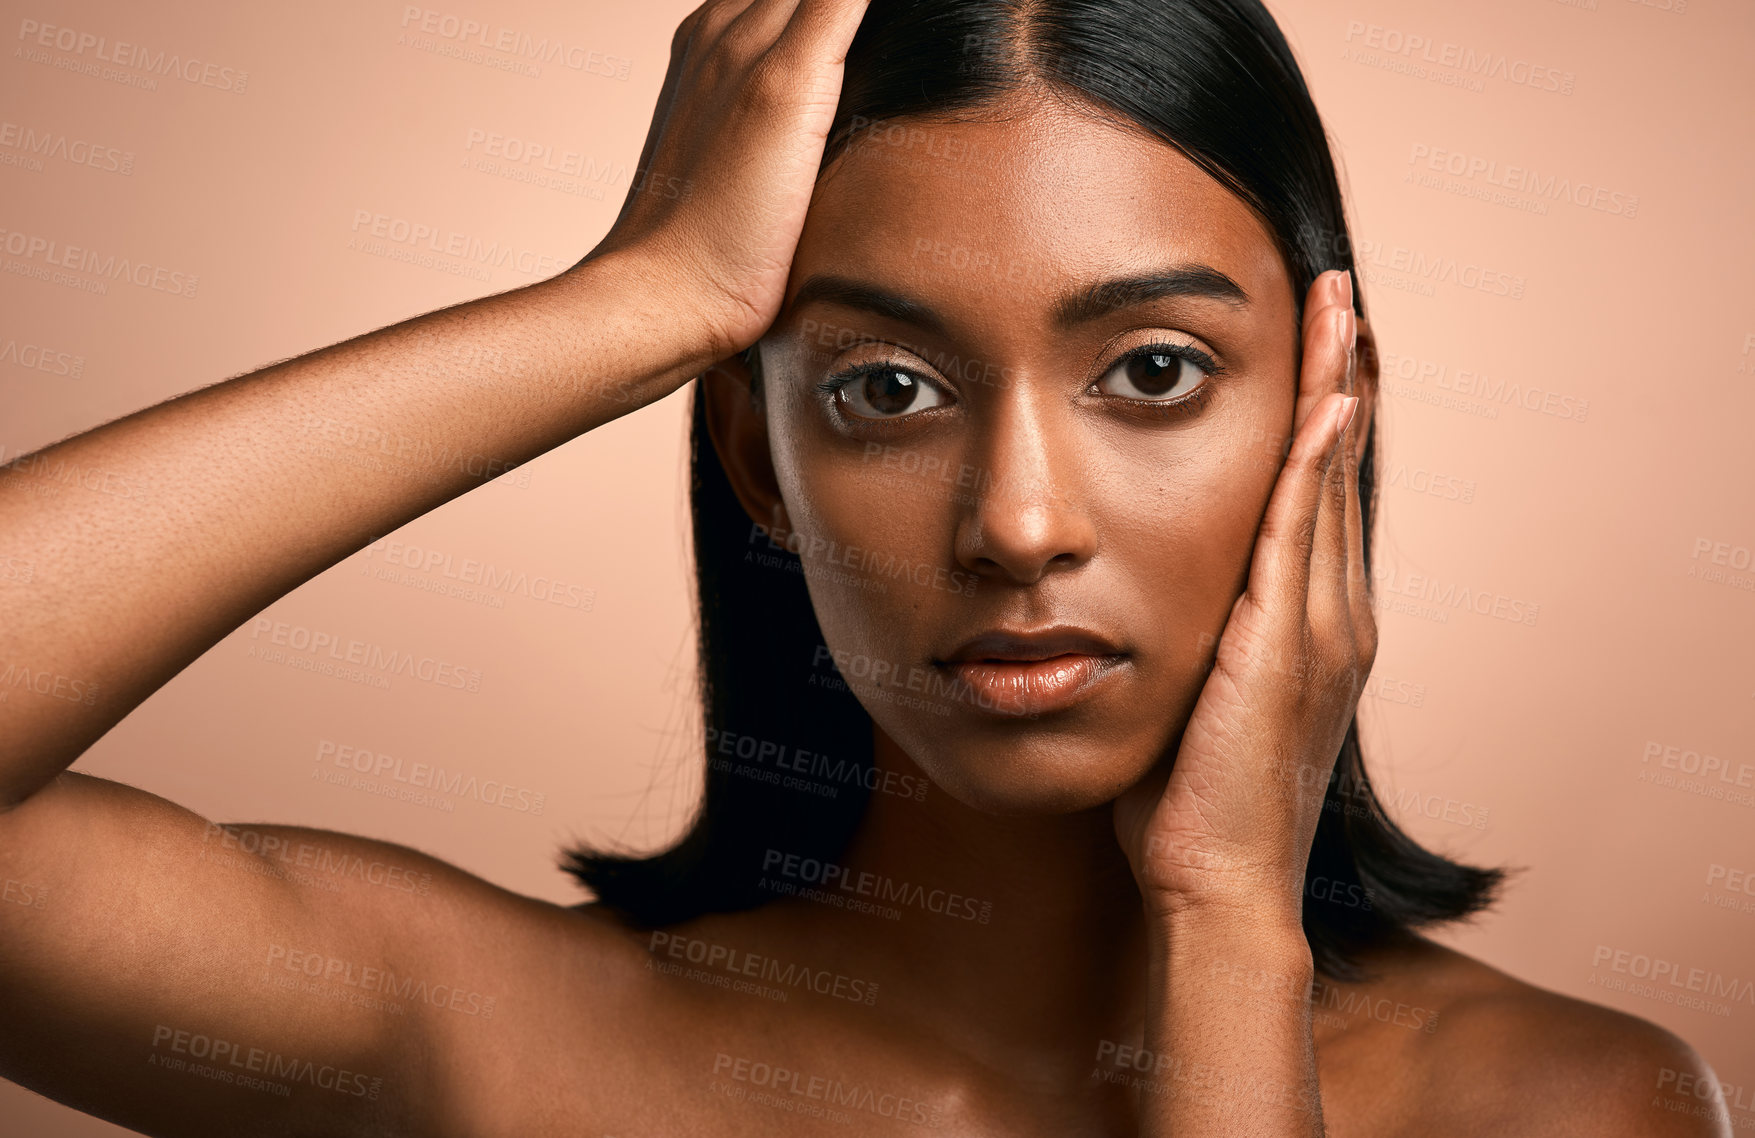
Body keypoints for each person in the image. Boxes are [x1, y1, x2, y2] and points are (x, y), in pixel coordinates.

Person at [0, 0, 1728, 1134]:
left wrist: (1226, 942)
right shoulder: (492, 1040)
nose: (1021, 520)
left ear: (1324, 419)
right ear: (761, 456)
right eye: (884, 388)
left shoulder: (1567, 1103)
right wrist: (631, 306)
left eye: (1150, 371)